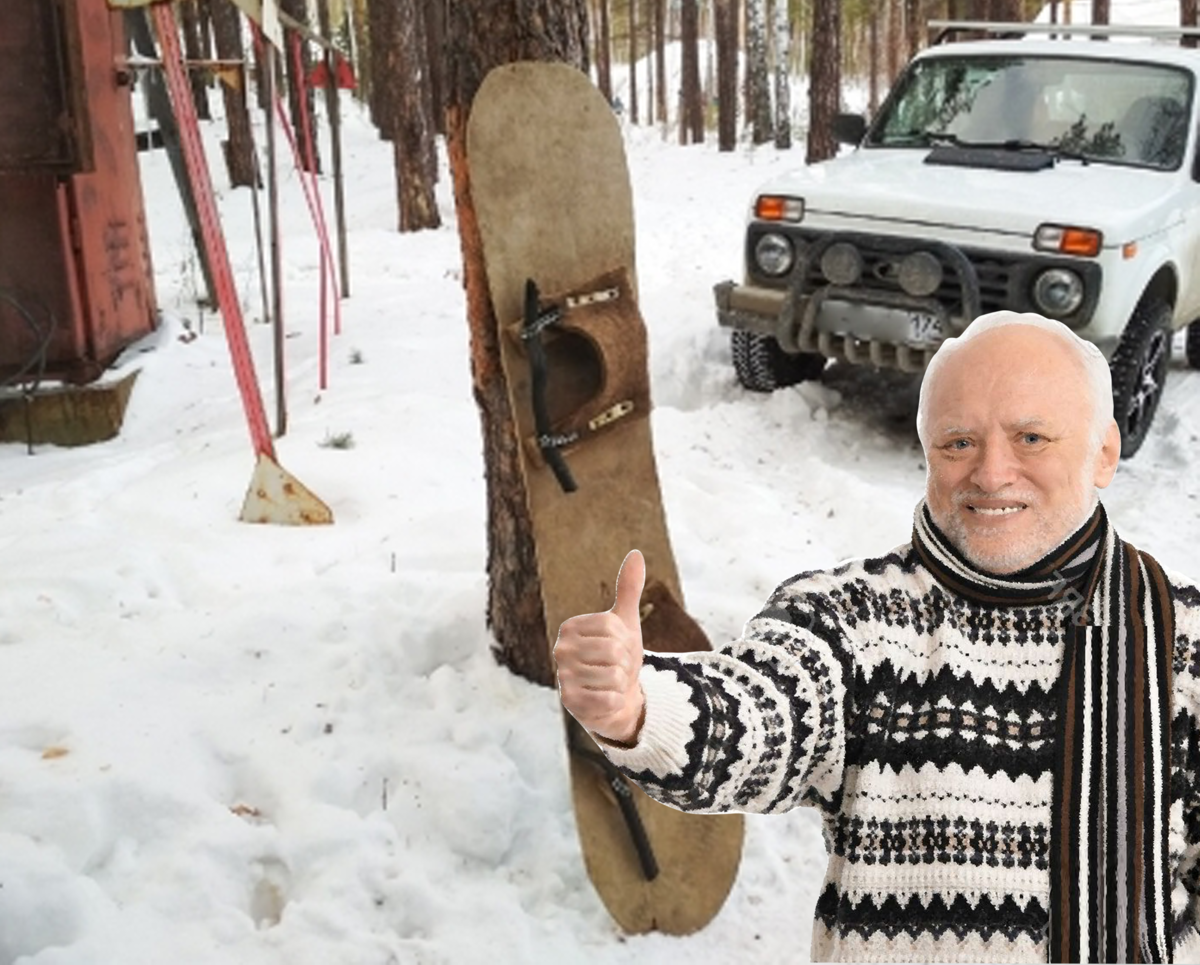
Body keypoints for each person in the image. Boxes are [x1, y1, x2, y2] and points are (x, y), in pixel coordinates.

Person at [553, 311, 1200, 964]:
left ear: (1105, 453)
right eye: (958, 443)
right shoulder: (850, 620)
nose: (992, 472)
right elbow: (760, 713)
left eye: (1031, 437)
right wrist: (640, 706)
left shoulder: (1184, 639)